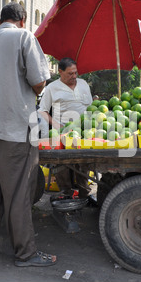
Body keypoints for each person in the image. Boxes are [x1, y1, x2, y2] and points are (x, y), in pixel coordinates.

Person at [0, 2, 55, 269]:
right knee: (19, 194)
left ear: (1, 19)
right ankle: (25, 254)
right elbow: (39, 82)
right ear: (23, 19)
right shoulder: (24, 37)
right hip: (15, 129)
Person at [38, 57, 93, 198]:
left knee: (82, 163)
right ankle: (66, 194)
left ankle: (84, 194)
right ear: (60, 72)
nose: (74, 76)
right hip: (61, 133)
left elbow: (91, 107)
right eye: (70, 74)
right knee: (62, 163)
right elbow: (42, 110)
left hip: (83, 132)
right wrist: (57, 125)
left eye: (75, 73)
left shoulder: (83, 84)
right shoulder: (52, 88)